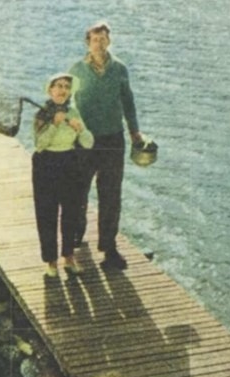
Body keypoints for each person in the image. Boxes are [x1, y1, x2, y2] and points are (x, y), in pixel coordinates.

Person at [69, 21, 144, 270]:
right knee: (79, 190)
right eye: (94, 39)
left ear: (109, 41)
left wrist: (135, 132)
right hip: (84, 141)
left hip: (113, 139)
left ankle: (109, 248)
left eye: (103, 39)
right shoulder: (76, 71)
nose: (99, 44)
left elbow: (128, 102)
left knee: (111, 195)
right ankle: (75, 235)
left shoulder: (120, 69)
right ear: (87, 43)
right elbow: (65, 104)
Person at [32, 73, 94, 278]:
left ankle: (68, 257)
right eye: (58, 86)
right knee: (47, 214)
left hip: (70, 162)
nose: (62, 90)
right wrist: (54, 125)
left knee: (71, 213)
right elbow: (40, 145)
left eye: (66, 87)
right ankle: (50, 262)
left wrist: (80, 129)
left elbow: (88, 142)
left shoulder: (74, 111)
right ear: (50, 90)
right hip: (45, 164)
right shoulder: (42, 113)